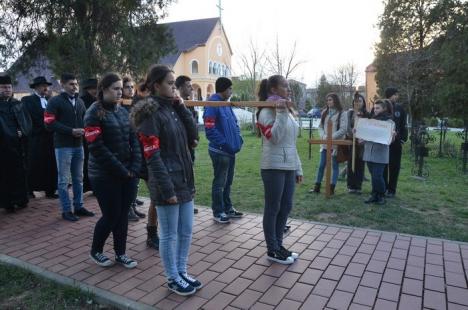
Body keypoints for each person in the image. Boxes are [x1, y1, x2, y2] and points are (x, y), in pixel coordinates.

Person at [132, 64, 200, 296]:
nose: (175, 87)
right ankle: (172, 277)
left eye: (174, 84)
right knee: (169, 234)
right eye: (170, 84)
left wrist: (181, 106)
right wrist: (166, 187)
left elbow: (194, 136)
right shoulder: (150, 114)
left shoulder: (173, 108)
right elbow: (152, 156)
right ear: (155, 85)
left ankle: (181, 271)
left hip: (184, 178)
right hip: (166, 183)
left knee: (186, 230)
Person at [85, 72, 141, 268]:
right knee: (111, 215)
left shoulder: (123, 111)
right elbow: (97, 148)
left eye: (121, 89)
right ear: (104, 90)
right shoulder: (93, 112)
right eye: (115, 89)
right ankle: (96, 251)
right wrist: (122, 171)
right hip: (104, 175)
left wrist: (134, 167)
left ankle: (121, 253)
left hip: (127, 173)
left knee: (123, 214)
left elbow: (134, 139)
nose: (120, 92)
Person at [256, 75, 302, 264]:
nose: (289, 89)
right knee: (273, 208)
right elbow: (273, 137)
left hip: (289, 165)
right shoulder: (266, 112)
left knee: (286, 206)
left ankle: (279, 245)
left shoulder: (286, 110)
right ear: (273, 90)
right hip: (273, 166)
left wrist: (298, 168)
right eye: (285, 86)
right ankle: (272, 249)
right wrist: (282, 114)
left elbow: (291, 143)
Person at [45, 73, 95, 221]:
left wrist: (87, 129)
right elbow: (48, 123)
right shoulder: (54, 101)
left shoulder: (79, 102)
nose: (75, 87)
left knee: (78, 179)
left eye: (76, 84)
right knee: (63, 181)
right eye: (71, 84)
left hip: (79, 146)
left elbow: (85, 120)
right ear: (62, 84)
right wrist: (70, 131)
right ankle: (66, 210)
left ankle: (78, 206)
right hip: (62, 147)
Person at [203, 77, 243, 223]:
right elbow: (209, 128)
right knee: (219, 183)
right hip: (220, 151)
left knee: (228, 182)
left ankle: (227, 208)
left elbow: (234, 123)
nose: (232, 91)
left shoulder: (226, 104)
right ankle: (218, 212)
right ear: (224, 89)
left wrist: (239, 139)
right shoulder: (213, 104)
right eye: (230, 89)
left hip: (230, 151)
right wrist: (224, 143)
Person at [22, 76, 58, 199]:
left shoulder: (50, 100)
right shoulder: (28, 100)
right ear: (36, 87)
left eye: (46, 86)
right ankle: (30, 189)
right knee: (34, 164)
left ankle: (50, 189)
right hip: (36, 137)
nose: (45, 88)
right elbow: (28, 118)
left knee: (50, 163)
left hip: (50, 138)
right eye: (43, 86)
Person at [0, 75, 31, 213]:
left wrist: (22, 132)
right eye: (3, 87)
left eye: (9, 87)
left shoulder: (18, 104)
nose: (7, 90)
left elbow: (26, 122)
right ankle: (8, 203)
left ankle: (21, 200)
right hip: (2, 147)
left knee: (20, 173)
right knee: (5, 175)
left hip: (18, 146)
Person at [120, 75, 146, 222]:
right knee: (128, 179)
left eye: (131, 87)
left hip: (137, 143)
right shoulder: (120, 105)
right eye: (127, 87)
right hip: (126, 144)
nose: (130, 89)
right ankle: (128, 209)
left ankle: (132, 206)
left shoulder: (134, 103)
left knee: (135, 179)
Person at [311, 93, 347, 195]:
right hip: (325, 144)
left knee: (334, 166)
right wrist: (323, 136)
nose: (328, 102)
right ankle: (317, 187)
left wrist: (331, 137)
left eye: (330, 100)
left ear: (335, 100)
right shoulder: (324, 112)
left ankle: (331, 188)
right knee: (321, 165)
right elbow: (320, 126)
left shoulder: (342, 113)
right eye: (327, 100)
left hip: (335, 144)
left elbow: (343, 129)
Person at [361, 99, 395, 205]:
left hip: (380, 154)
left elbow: (390, 140)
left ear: (384, 109)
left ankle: (381, 195)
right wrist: (358, 133)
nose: (375, 110)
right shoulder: (370, 121)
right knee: (373, 176)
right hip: (369, 153)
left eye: (378, 108)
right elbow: (365, 135)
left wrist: (392, 135)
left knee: (377, 176)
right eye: (374, 108)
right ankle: (374, 195)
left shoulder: (389, 122)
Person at [175, 75, 200, 214]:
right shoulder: (176, 105)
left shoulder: (189, 104)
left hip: (190, 148)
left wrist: (195, 139)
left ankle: (188, 202)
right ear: (180, 87)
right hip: (179, 148)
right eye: (188, 85)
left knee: (190, 174)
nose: (191, 88)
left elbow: (193, 124)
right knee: (180, 176)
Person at [383, 87, 408, 197]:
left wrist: (402, 139)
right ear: (390, 95)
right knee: (383, 166)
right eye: (395, 94)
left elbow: (404, 125)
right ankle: (383, 188)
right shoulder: (382, 106)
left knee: (394, 166)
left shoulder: (400, 108)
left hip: (396, 143)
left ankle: (392, 190)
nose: (397, 97)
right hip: (383, 142)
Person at [346, 92, 369, 194]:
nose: (357, 103)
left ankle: (358, 186)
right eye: (356, 101)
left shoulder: (367, 114)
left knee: (360, 163)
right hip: (352, 141)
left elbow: (369, 127)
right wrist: (352, 134)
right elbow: (347, 127)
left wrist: (362, 136)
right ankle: (351, 185)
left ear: (363, 102)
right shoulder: (350, 113)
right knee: (351, 162)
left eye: (359, 101)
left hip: (362, 143)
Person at [80, 78, 98, 194]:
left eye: (96, 88)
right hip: (87, 134)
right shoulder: (82, 100)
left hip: (98, 134)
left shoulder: (99, 99)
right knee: (87, 161)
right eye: (92, 88)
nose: (94, 90)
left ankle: (95, 187)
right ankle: (88, 186)